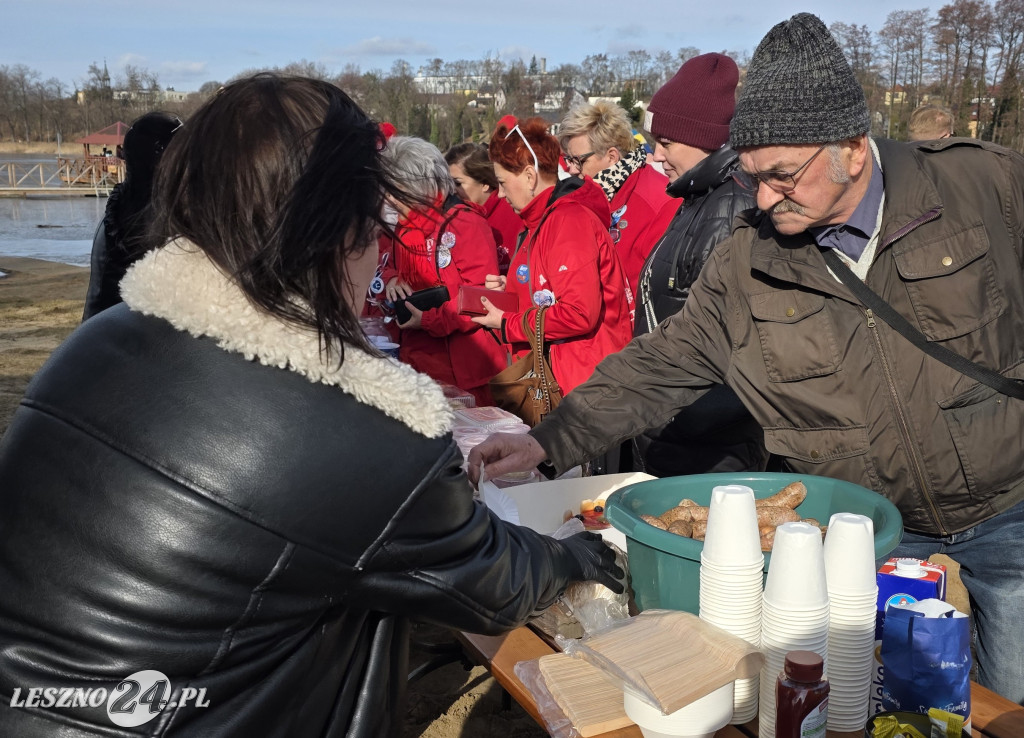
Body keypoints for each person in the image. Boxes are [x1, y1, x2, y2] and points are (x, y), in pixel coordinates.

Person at [0, 74, 624, 737]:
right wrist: (575, 556)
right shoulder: (358, 429)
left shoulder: (99, 340)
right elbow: (492, 581)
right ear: (344, 237)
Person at [470, 13, 1024, 705]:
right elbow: (662, 362)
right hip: (861, 532)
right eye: (752, 176)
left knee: (1010, 705)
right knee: (866, 703)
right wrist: (546, 443)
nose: (763, 199)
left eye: (783, 176)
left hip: (1011, 510)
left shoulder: (983, 187)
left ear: (852, 148)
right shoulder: (750, 257)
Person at [631, 52, 767, 477]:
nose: (655, 155)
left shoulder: (730, 208)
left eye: (666, 142)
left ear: (702, 136)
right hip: (676, 431)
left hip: (705, 450)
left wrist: (657, 407)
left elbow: (730, 351)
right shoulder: (700, 197)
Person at [471, 115, 634, 395]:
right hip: (564, 381)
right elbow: (548, 291)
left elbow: (579, 313)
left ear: (530, 176)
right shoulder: (541, 221)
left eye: (502, 182)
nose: (499, 195)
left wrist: (507, 323)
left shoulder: (568, 221)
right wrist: (511, 291)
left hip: (583, 388)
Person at [378, 136, 506, 405]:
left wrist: (429, 320)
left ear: (420, 185)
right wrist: (391, 280)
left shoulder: (466, 224)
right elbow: (390, 265)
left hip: (462, 372)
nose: (389, 199)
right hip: (415, 362)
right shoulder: (404, 225)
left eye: (396, 190)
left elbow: (482, 298)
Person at [557, 100, 674, 300]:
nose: (571, 169)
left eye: (578, 160)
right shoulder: (587, 197)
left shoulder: (658, 202)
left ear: (612, 157)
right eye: (569, 160)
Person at [82, 111, 182, 319]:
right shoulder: (180, 219)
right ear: (162, 152)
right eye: (185, 148)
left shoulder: (113, 218)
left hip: (106, 330)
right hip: (146, 338)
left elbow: (96, 295)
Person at [445, 142, 521, 275]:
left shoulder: (514, 212)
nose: (452, 190)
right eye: (448, 183)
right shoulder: (453, 217)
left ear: (484, 183)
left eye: (458, 183)